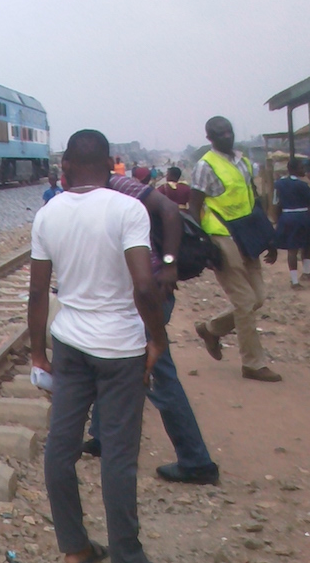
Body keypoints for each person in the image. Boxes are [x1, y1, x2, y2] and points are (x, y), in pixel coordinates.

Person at [29, 129, 193, 563]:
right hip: (121, 347)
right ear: (111, 167)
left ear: (64, 169)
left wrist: (38, 351)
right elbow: (144, 286)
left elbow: (39, 290)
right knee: (118, 456)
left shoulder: (48, 213)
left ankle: (76, 547)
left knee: (61, 446)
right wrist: (156, 339)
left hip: (69, 344)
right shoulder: (126, 209)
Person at [83, 165, 220, 485]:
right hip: (130, 295)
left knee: (159, 374)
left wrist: (170, 264)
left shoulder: (121, 187)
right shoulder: (91, 194)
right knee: (107, 357)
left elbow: (170, 210)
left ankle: (196, 461)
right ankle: (102, 436)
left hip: (149, 293)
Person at [190, 116, 281, 382]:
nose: (226, 136)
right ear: (210, 138)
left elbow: (254, 199)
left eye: (229, 131)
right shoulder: (205, 166)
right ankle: (252, 364)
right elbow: (195, 206)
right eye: (219, 134)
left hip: (248, 233)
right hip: (221, 234)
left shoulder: (243, 162)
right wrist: (201, 244)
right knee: (244, 302)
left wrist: (269, 238)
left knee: (258, 297)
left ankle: (210, 329)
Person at [273, 157, 310, 289]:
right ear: (295, 169)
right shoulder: (303, 185)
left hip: (286, 216)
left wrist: (277, 220)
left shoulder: (278, 184)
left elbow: (276, 203)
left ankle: (294, 280)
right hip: (302, 216)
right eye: (301, 167)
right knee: (307, 245)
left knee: (292, 249)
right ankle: (306, 273)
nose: (303, 170)